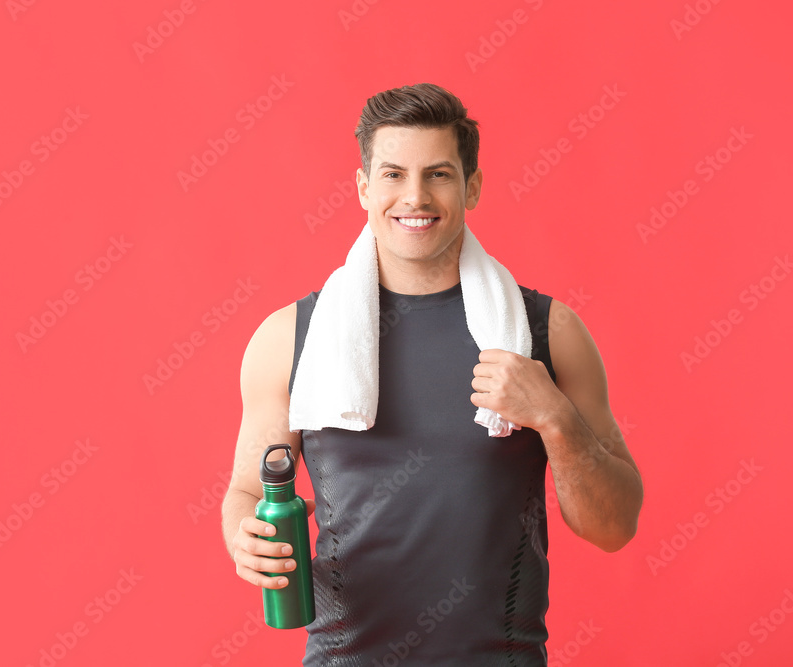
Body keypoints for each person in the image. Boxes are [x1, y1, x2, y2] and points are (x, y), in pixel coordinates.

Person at [221, 82, 643, 665]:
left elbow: (615, 525)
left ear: (471, 186)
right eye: (393, 174)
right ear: (364, 186)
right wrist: (245, 535)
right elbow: (248, 490)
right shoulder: (290, 339)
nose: (414, 197)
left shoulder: (547, 333)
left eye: (439, 174)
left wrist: (554, 418)